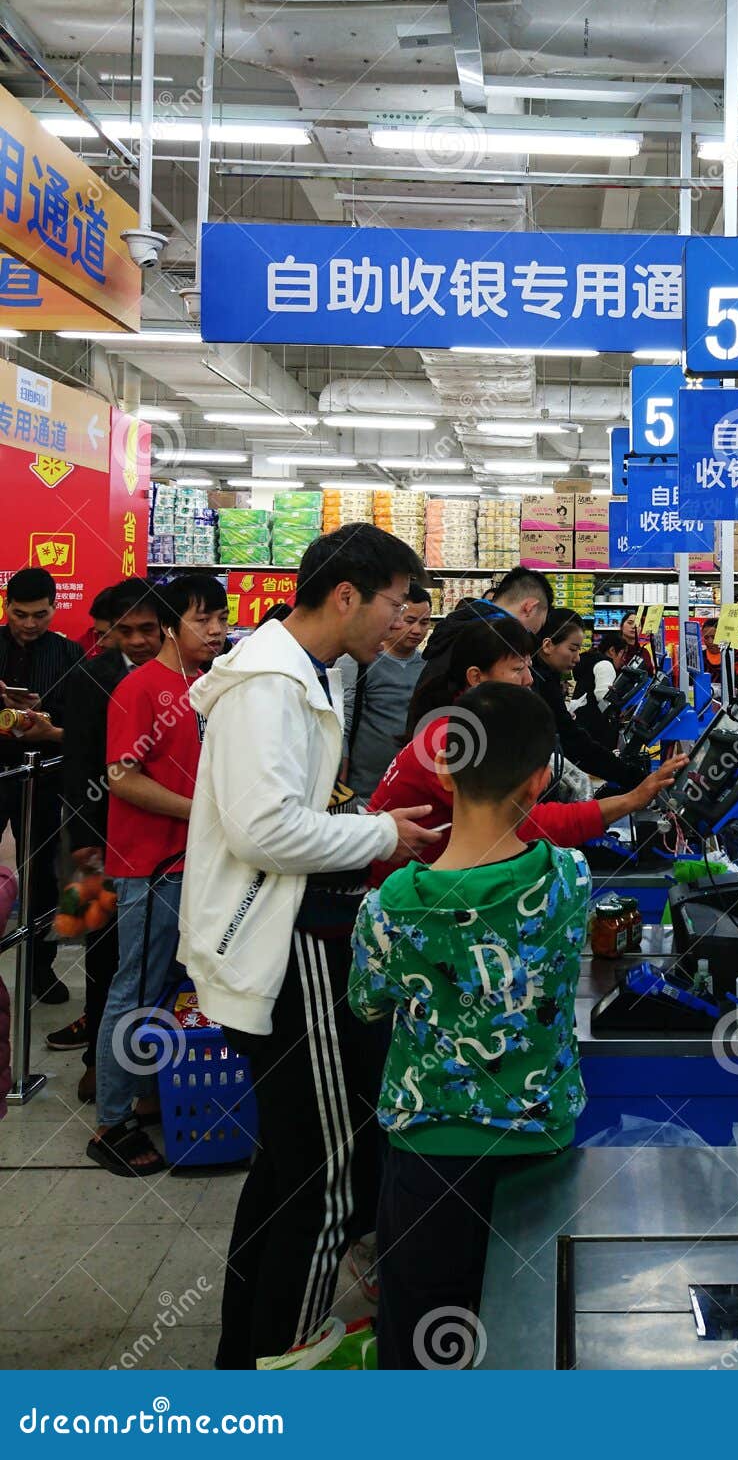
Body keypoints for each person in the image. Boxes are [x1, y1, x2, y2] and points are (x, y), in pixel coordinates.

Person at [178, 523, 440, 1370]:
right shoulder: (271, 686)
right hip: (284, 955)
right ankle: (282, 1369)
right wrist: (376, 835)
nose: (402, 624)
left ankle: (242, 1357)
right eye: (398, 604)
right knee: (330, 1174)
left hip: (286, 940)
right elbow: (264, 828)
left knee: (285, 1167)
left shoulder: (300, 676)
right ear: (347, 596)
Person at [350, 683, 592, 1369]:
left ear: (448, 769)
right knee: (529, 1340)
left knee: (425, 1341)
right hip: (541, 1147)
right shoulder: (569, 877)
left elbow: (366, 1001)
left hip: (431, 1155)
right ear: (543, 777)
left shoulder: (394, 903)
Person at [87, 574, 229, 1177]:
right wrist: (203, 814)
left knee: (173, 990)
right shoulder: (141, 688)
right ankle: (111, 1121)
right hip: (151, 866)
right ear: (173, 626)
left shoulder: (205, 686)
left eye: (221, 617)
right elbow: (121, 776)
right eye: (205, 619)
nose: (218, 630)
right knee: (135, 990)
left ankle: (148, 1093)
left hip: (195, 865)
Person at [370, 616, 685, 872]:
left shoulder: (466, 726)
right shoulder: (452, 739)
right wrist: (631, 800)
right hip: (402, 903)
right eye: (518, 670)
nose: (529, 680)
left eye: (528, 668)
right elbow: (520, 824)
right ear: (476, 677)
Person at [54, 578, 164, 1100]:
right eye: (128, 630)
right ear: (110, 633)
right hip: (99, 836)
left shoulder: (182, 676)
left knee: (150, 956)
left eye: (149, 628)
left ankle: (149, 1066)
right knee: (100, 947)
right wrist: (80, 837)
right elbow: (76, 762)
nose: (140, 640)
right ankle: (97, 1058)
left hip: (160, 838)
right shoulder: (89, 678)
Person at [0, 565, 85, 1002]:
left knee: (43, 876)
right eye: (20, 614)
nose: (30, 624)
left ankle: (39, 970)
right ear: (6, 607)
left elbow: (85, 725)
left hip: (47, 776)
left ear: (54, 608)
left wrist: (47, 724)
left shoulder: (70, 655)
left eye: (40, 615)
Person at [405, 565, 551, 735]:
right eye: (518, 668)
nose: (529, 680)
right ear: (530, 607)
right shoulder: (486, 638)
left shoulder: (460, 627)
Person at [339, 583, 432, 799]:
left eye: (424, 622)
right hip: (363, 790)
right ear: (394, 617)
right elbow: (343, 723)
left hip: (412, 788)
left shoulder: (428, 667)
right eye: (410, 621)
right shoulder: (358, 661)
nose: (417, 630)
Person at [533, 608, 643, 789]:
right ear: (547, 645)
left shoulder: (547, 677)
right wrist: (632, 778)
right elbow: (574, 742)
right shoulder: (541, 681)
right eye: (572, 649)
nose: (577, 659)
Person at [569, 628, 627, 744]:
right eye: (623, 653)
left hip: (580, 721)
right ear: (612, 650)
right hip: (594, 729)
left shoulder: (590, 659)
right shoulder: (606, 664)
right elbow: (604, 696)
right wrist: (620, 710)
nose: (624, 660)